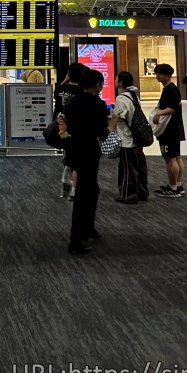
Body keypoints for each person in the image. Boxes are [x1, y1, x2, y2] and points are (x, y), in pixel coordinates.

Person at [62, 68, 108, 254]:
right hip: (88, 152)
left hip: (73, 150)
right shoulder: (97, 104)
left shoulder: (73, 101)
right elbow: (102, 133)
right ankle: (76, 239)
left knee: (90, 190)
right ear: (97, 85)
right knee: (85, 193)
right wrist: (111, 125)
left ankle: (87, 228)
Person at [109, 71, 148, 204]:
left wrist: (108, 128)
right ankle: (142, 192)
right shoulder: (134, 97)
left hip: (126, 138)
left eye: (116, 79)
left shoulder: (121, 98)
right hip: (138, 137)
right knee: (140, 167)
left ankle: (128, 195)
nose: (115, 81)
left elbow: (119, 116)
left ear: (121, 83)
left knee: (127, 169)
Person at [152, 63, 186, 198]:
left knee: (170, 158)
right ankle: (177, 184)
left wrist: (158, 113)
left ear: (168, 75)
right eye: (156, 73)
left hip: (168, 129)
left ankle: (173, 188)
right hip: (174, 128)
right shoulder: (171, 88)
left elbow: (172, 108)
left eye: (160, 73)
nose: (157, 76)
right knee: (176, 156)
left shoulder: (170, 90)